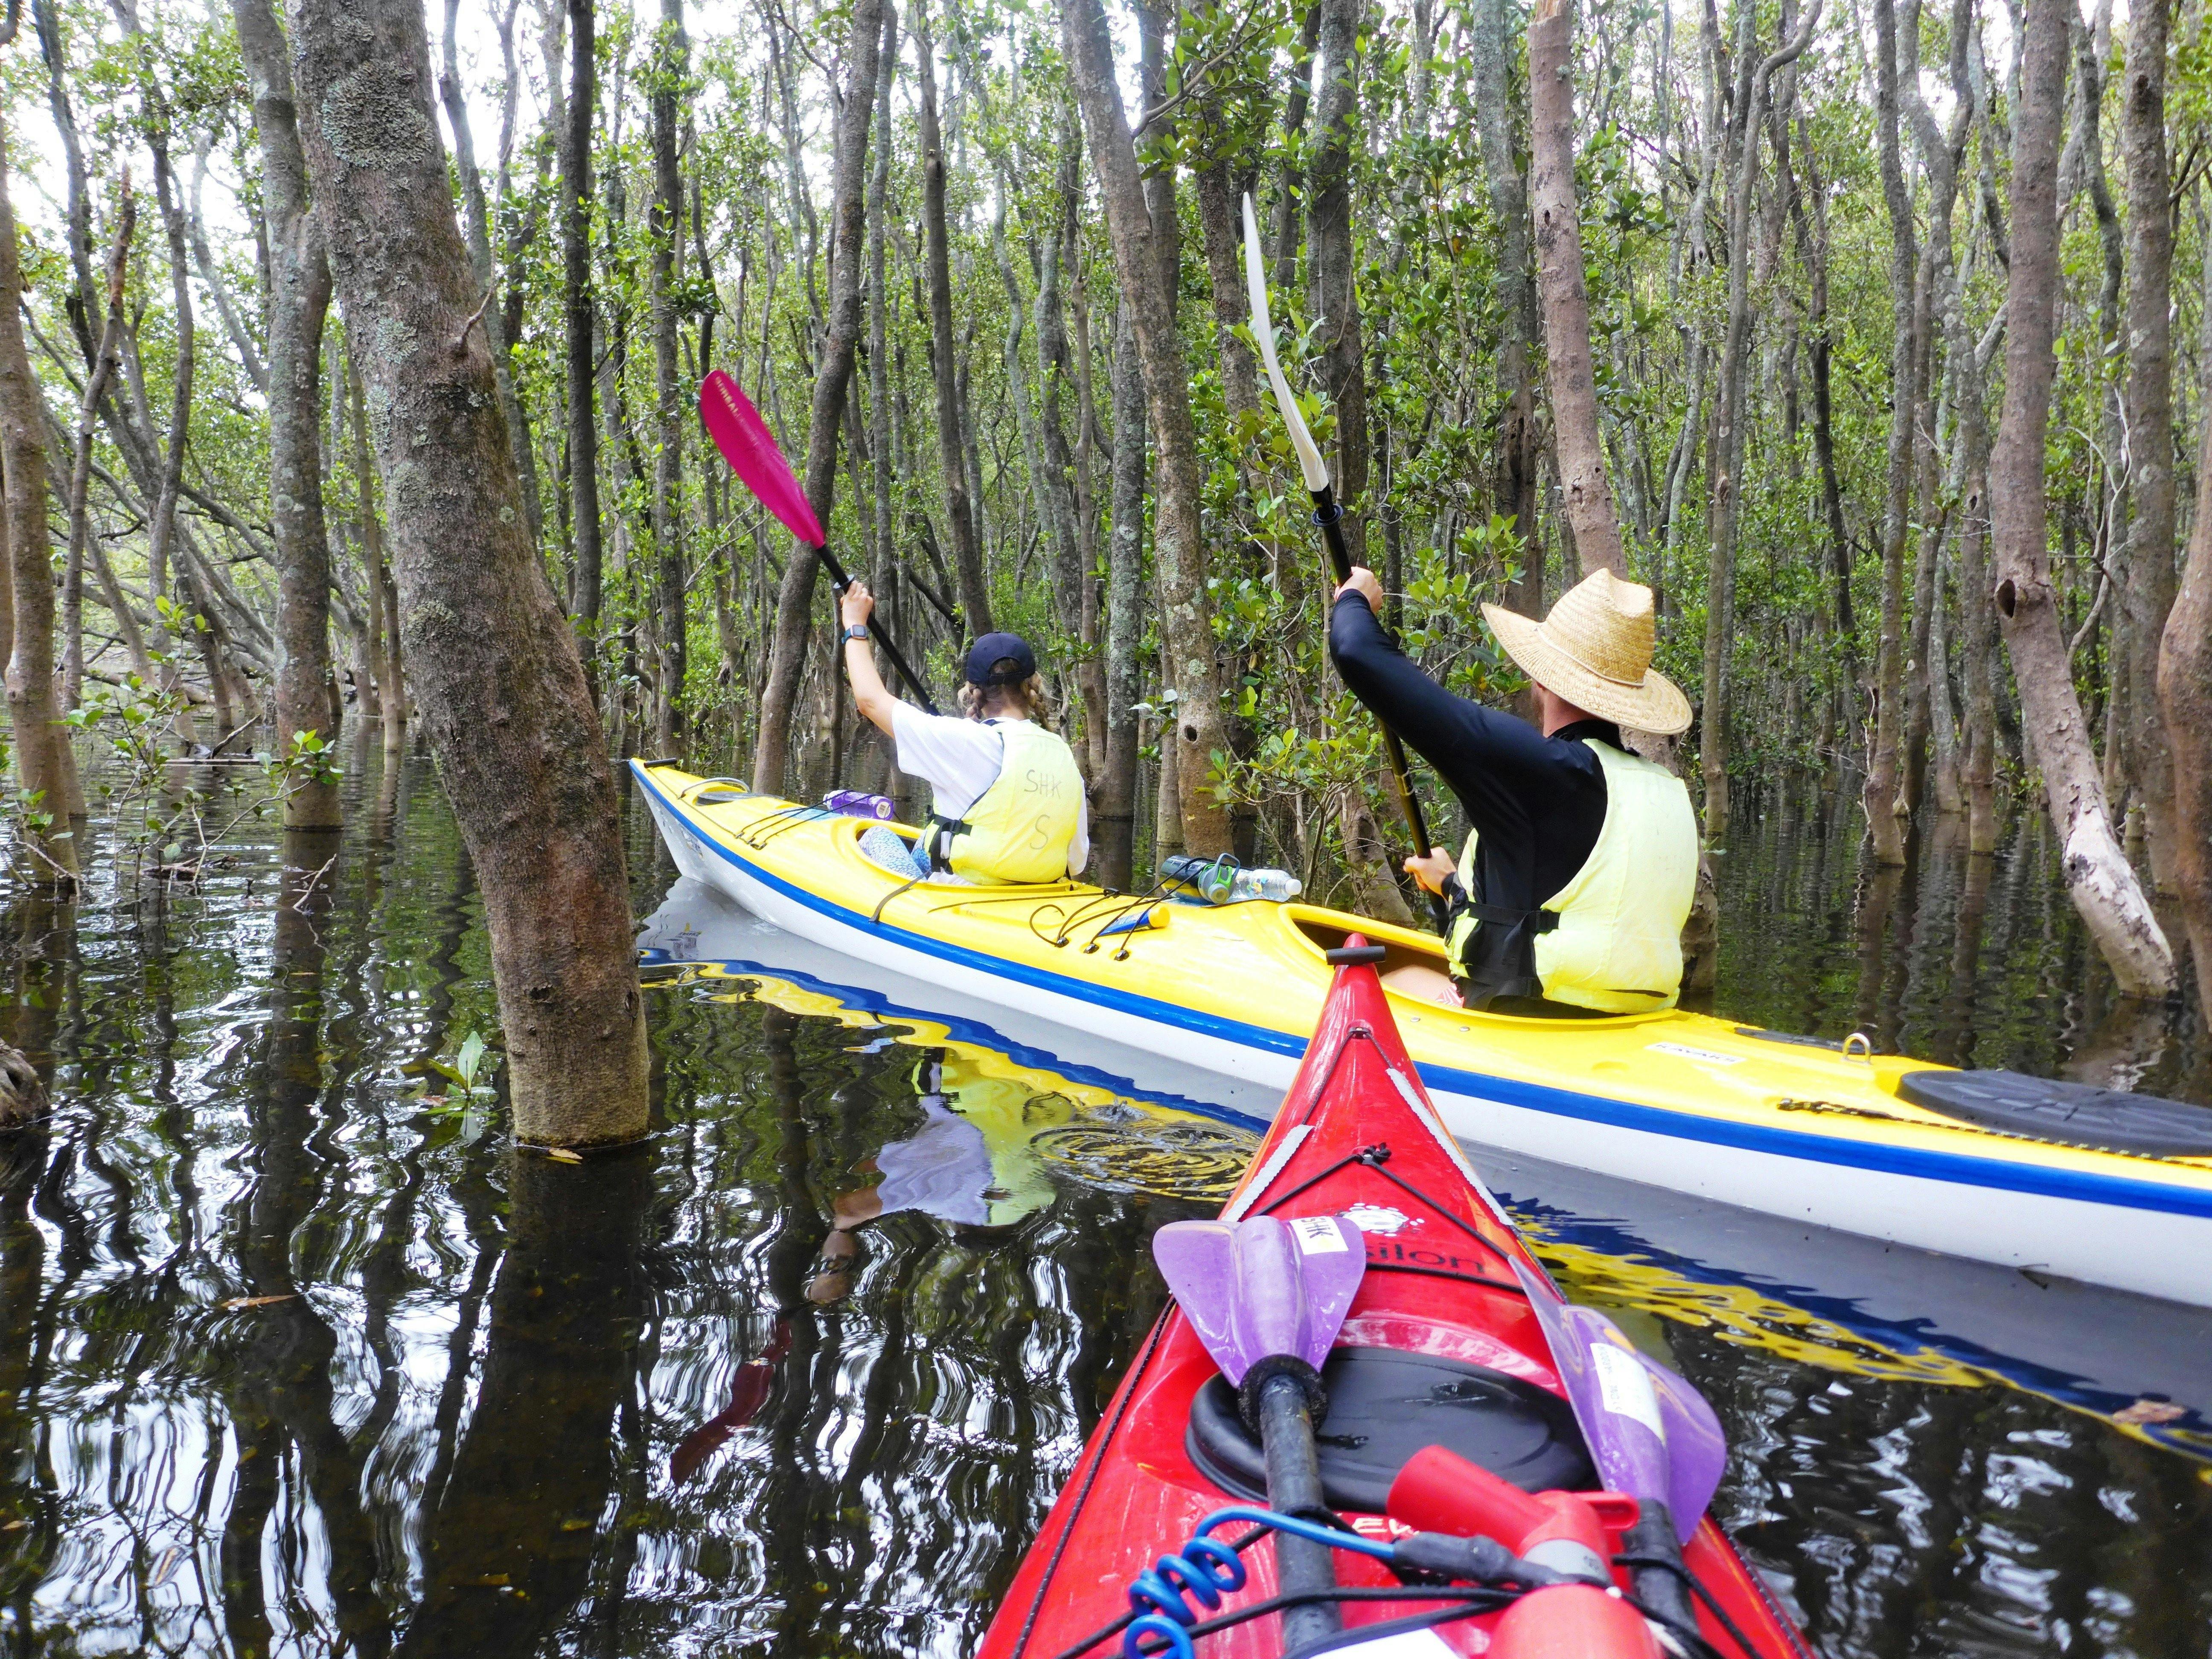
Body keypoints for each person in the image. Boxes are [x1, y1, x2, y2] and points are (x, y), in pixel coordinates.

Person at [1329, 564, 1698, 1015]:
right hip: (1632, 1022)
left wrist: (1355, 599)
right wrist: (1451, 886)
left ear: (1541, 677)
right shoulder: (1663, 787)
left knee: (1388, 980)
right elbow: (1576, 896)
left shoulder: (1547, 770)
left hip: (1534, 1022)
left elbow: (1356, 651)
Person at [838, 582, 1089, 884]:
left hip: (961, 901)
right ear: (1032, 684)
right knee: (924, 845)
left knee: (877, 834)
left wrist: (854, 623)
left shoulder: (966, 741)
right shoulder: (1063, 756)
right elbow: (1075, 862)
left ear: (974, 691)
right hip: (1036, 901)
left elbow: (869, 700)